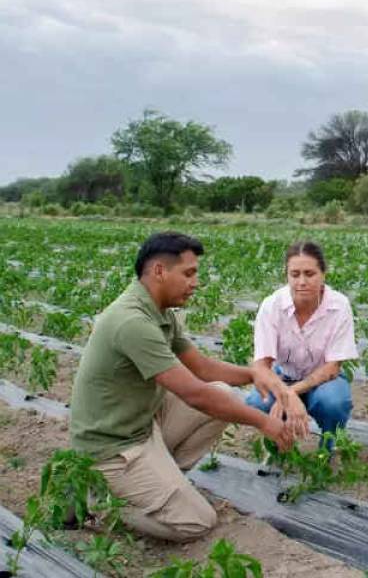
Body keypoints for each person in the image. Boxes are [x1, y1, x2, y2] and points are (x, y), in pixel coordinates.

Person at [70, 232, 307, 543]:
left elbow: (204, 369)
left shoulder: (160, 312)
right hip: (114, 448)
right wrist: (265, 422)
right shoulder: (132, 322)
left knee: (222, 393)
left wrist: (257, 375)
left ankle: (160, 488)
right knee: (197, 523)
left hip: (142, 426)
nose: (195, 282)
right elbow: (194, 394)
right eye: (188, 273)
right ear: (159, 271)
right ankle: (101, 502)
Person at [245, 241, 356, 448]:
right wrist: (285, 392)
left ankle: (327, 447)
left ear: (323, 274)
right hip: (284, 375)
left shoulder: (339, 306)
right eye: (295, 274)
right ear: (287, 276)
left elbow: (333, 367)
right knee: (257, 403)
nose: (302, 281)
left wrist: (292, 392)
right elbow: (261, 365)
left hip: (325, 379)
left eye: (310, 274)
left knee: (334, 403)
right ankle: (278, 442)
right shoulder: (272, 306)